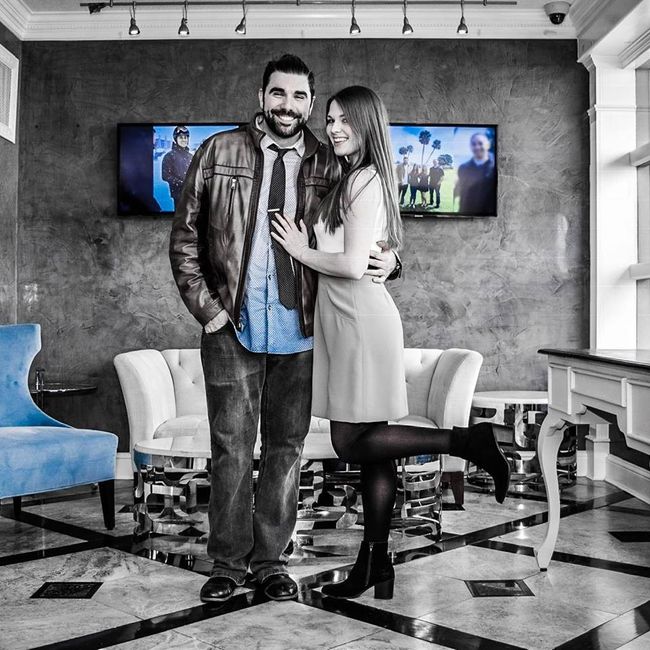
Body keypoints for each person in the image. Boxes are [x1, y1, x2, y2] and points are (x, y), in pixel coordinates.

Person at [169, 55, 399, 605]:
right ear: (261, 96)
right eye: (278, 94)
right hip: (233, 327)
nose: (288, 106)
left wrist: (392, 261)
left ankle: (271, 562)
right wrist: (210, 311)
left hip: (303, 331)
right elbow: (184, 238)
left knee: (286, 449)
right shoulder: (218, 151)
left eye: (299, 97)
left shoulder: (331, 161)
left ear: (310, 104)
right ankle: (228, 563)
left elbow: (370, 225)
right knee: (231, 447)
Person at [271, 85, 510, 601]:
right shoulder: (350, 176)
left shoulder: (366, 179)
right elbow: (367, 253)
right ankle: (375, 565)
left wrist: (299, 250)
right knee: (371, 449)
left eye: (345, 120)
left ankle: (465, 443)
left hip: (359, 319)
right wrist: (376, 257)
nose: (334, 128)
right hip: (344, 318)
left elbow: (352, 265)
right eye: (330, 119)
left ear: (366, 124)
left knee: (349, 441)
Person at [454, 132, 496, 215]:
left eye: (480, 143)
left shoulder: (496, 167)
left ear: (488, 145)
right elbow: (462, 194)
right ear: (470, 146)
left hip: (489, 218)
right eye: (473, 144)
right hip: (466, 215)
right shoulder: (463, 168)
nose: (477, 147)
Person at [162, 125, 193, 208]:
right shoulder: (169, 156)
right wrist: (181, 183)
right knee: (181, 215)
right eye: (181, 137)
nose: (184, 140)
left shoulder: (191, 156)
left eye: (186, 137)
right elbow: (165, 175)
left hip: (192, 194)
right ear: (175, 139)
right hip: (178, 195)